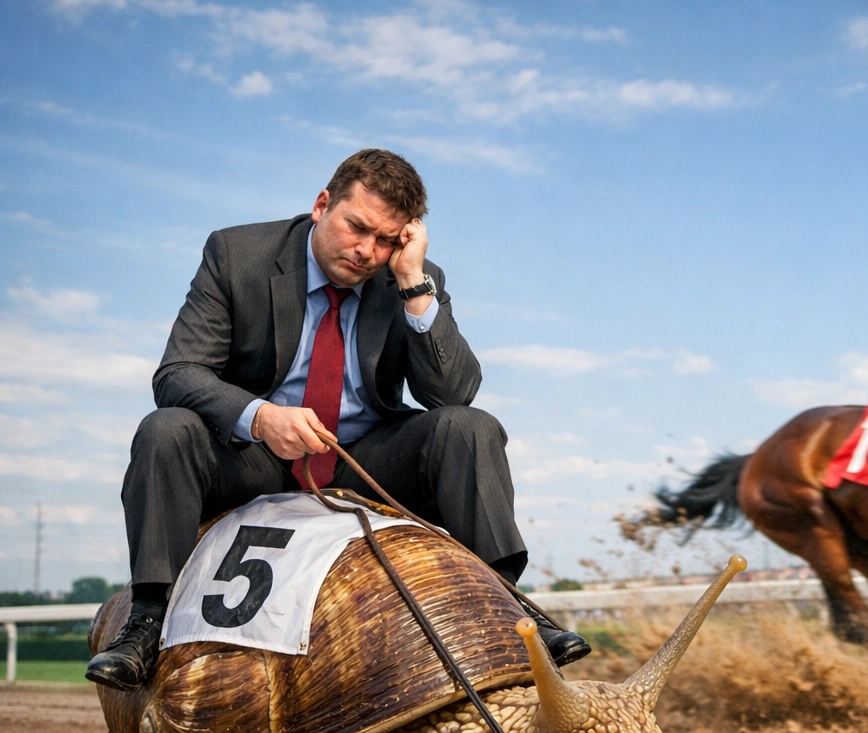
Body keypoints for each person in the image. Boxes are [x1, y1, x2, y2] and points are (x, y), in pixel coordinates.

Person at [87, 149, 588, 691]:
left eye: (387, 239)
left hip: (362, 458)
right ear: (322, 204)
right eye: (357, 227)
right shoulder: (236, 254)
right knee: (166, 429)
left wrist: (413, 284)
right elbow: (178, 373)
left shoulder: (413, 278)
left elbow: (453, 393)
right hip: (253, 457)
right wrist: (261, 418)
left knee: (471, 427)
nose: (367, 250)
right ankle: (147, 620)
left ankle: (508, 606)